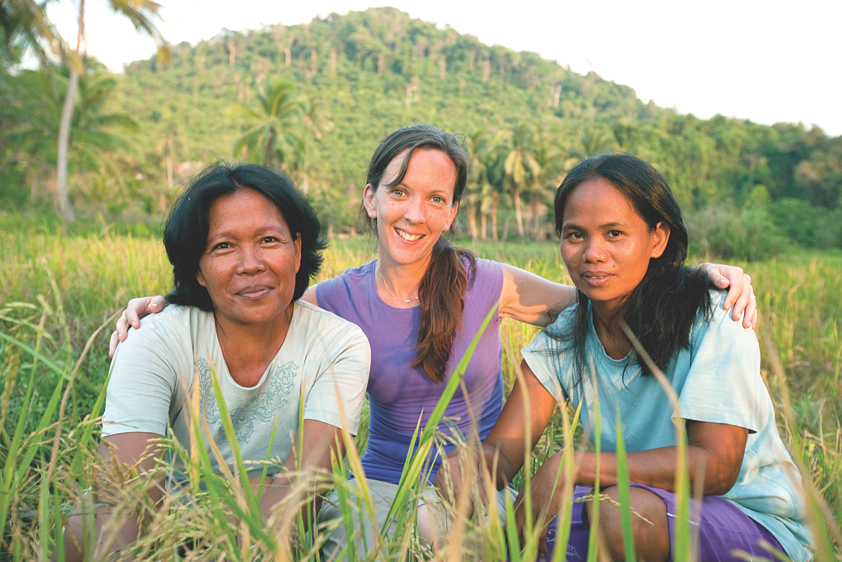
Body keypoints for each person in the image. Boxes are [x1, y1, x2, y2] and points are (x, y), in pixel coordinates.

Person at [109, 126, 758, 557]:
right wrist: (165, 305)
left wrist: (696, 279)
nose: (413, 213)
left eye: (434, 198)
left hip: (477, 483)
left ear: (451, 212)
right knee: (342, 532)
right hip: (378, 483)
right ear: (371, 199)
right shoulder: (333, 299)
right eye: (399, 192)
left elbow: (602, 294)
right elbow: (249, 299)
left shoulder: (489, 283)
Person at [466, 154, 812, 561]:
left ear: (657, 239)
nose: (592, 253)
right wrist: (466, 467)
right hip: (636, 503)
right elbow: (504, 453)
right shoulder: (567, 334)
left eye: (614, 233)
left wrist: (576, 466)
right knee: (537, 540)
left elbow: (718, 466)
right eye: (575, 235)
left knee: (620, 515)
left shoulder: (715, 313)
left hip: (755, 524)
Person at [62, 163, 371, 561]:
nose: (250, 264)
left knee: (361, 525)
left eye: (269, 240)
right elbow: (129, 491)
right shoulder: (153, 338)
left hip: (286, 517)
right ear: (198, 270)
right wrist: (231, 502)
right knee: (90, 522)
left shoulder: (340, 344)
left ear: (297, 251)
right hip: (164, 512)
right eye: (223, 246)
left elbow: (301, 493)